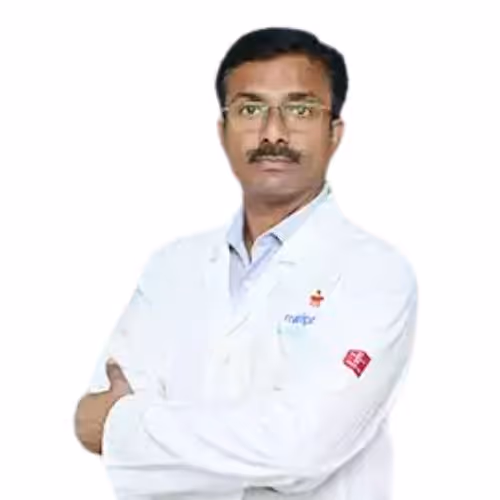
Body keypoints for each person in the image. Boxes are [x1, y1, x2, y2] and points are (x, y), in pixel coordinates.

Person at [74, 27, 418, 500]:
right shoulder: (171, 267)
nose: (273, 133)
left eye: (300, 110)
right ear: (223, 130)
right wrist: (250, 441)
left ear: (334, 133)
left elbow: (301, 448)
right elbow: (91, 419)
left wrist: (130, 430)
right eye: (251, 109)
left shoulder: (377, 274)